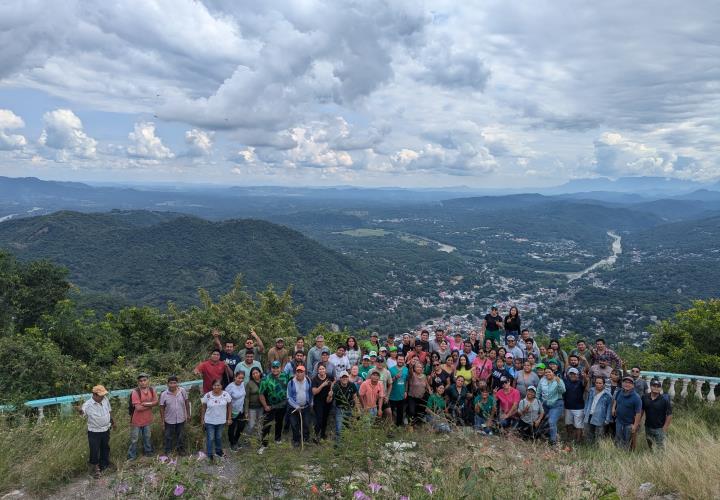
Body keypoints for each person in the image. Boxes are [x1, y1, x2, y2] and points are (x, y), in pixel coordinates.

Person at [80, 385, 114, 477]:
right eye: (100, 395)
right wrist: (80, 411)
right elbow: (82, 412)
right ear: (94, 395)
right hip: (94, 431)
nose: (102, 397)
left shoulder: (105, 399)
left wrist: (113, 422)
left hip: (106, 429)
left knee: (105, 447)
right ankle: (96, 469)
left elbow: (109, 411)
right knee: (94, 450)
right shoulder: (87, 404)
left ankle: (104, 464)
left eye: (103, 395)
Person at [258, 360, 291, 448]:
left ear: (280, 368)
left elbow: (293, 381)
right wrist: (265, 406)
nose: (275, 369)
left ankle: (277, 439)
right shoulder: (266, 379)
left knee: (279, 422)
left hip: (282, 404)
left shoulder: (286, 376)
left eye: (277, 367)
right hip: (270, 405)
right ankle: (264, 444)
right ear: (271, 368)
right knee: (267, 424)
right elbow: (261, 394)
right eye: (273, 367)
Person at [128, 373, 158, 460]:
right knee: (134, 439)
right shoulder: (135, 392)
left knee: (147, 437)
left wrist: (145, 403)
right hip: (136, 420)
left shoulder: (152, 390)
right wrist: (151, 405)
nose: (143, 382)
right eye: (141, 381)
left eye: (144, 380)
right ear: (138, 382)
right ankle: (131, 456)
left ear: (148, 380)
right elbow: (138, 408)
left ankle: (148, 452)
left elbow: (156, 402)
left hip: (147, 419)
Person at [200, 379, 232, 462]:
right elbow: (203, 407)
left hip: (221, 421)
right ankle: (209, 454)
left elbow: (229, 405)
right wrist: (202, 419)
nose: (216, 387)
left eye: (218, 385)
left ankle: (218, 451)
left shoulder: (226, 394)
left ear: (221, 386)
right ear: (212, 386)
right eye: (215, 385)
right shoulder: (207, 395)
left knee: (218, 437)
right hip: (209, 421)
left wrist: (229, 417)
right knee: (210, 438)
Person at [159, 375, 190, 455]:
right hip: (169, 419)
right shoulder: (164, 394)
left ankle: (180, 450)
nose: (173, 385)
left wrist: (188, 414)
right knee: (168, 436)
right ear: (167, 384)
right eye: (171, 383)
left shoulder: (182, 391)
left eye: (174, 383)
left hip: (181, 418)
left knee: (180, 435)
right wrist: (162, 420)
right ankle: (168, 451)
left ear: (177, 383)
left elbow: (186, 402)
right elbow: (161, 407)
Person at [612, 375, 642, 449]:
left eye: (629, 383)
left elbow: (638, 413)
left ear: (633, 385)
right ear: (622, 383)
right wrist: (613, 408)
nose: (627, 384)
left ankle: (625, 455)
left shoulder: (636, 397)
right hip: (619, 420)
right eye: (625, 382)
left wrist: (635, 426)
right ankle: (618, 452)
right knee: (618, 437)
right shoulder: (620, 392)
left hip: (629, 423)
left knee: (627, 440)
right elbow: (616, 400)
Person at [537, 367, 565, 445]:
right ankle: (542, 436)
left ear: (553, 372)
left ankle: (553, 441)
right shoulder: (542, 380)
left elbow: (563, 391)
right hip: (545, 404)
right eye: (546, 372)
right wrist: (538, 402)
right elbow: (538, 392)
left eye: (549, 372)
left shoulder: (558, 380)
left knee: (552, 421)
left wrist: (559, 382)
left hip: (556, 404)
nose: (547, 374)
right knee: (541, 420)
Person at [641, 378, 672, 449]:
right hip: (648, 426)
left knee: (660, 447)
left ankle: (660, 459)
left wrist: (665, 428)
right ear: (650, 386)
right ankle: (650, 458)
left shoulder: (664, 399)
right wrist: (638, 422)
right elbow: (641, 410)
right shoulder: (645, 397)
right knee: (650, 446)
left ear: (660, 388)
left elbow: (669, 414)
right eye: (654, 386)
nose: (656, 388)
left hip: (659, 428)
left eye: (658, 386)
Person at [287, 365, 313, 448]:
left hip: (305, 407)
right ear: (295, 373)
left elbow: (311, 393)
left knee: (306, 423)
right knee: (294, 424)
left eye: (301, 372)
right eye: (298, 372)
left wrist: (311, 402)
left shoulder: (308, 380)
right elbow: (288, 397)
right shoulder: (291, 382)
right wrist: (296, 406)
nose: (299, 373)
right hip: (294, 408)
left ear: (304, 373)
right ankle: (296, 440)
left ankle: (306, 439)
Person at [332, 370, 359, 443]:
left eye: (346, 377)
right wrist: (329, 395)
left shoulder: (352, 385)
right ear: (340, 378)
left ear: (348, 377)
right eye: (343, 377)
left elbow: (355, 396)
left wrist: (357, 408)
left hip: (349, 408)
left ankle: (346, 443)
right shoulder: (336, 386)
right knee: (339, 427)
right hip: (339, 408)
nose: (345, 379)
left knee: (347, 426)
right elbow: (330, 399)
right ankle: (338, 445)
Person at [583, 376, 613, 443]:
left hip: (600, 417)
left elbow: (609, 408)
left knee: (599, 434)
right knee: (589, 433)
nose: (598, 384)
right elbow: (587, 401)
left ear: (604, 384)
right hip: (589, 415)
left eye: (600, 383)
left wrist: (607, 419)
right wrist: (585, 411)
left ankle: (598, 449)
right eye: (597, 383)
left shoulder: (607, 395)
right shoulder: (591, 391)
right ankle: (589, 447)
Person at [225, 371, 247, 451]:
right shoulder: (230, 387)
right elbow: (226, 400)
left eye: (242, 378)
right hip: (232, 411)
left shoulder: (243, 384)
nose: (240, 380)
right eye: (239, 378)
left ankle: (236, 440)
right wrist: (228, 415)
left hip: (241, 410)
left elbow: (244, 396)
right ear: (235, 377)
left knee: (241, 426)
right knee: (232, 427)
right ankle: (232, 443)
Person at [563, 368, 585, 443]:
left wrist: (585, 377)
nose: (573, 375)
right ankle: (569, 438)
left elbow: (586, 383)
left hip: (579, 408)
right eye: (571, 374)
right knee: (568, 424)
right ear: (568, 374)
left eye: (574, 374)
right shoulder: (565, 382)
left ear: (578, 375)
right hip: (567, 407)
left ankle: (578, 440)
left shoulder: (581, 382)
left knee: (578, 425)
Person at [311, 364, 333, 440]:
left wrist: (331, 390)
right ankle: (316, 435)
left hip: (327, 401)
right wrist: (322, 385)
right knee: (319, 419)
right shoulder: (315, 379)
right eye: (320, 369)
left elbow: (334, 382)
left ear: (325, 370)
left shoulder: (329, 377)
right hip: (318, 402)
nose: (322, 370)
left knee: (325, 419)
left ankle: (323, 434)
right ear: (317, 370)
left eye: (323, 369)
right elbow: (314, 392)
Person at [389, 354, 409, 426]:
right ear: (396, 360)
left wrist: (406, 391)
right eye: (399, 359)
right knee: (391, 412)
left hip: (401, 394)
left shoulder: (406, 369)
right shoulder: (391, 369)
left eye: (402, 360)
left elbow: (407, 381)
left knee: (400, 412)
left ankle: (398, 426)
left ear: (404, 360)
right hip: (392, 395)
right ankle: (390, 426)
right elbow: (388, 382)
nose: (400, 361)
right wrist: (395, 378)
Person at [407, 360, 429, 426]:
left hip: (421, 397)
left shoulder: (424, 376)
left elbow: (427, 385)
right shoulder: (412, 375)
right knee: (411, 411)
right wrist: (411, 366)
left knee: (420, 411)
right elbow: (410, 372)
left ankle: (417, 424)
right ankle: (410, 425)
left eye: (421, 367)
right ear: (414, 368)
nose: (419, 368)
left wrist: (431, 393)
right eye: (417, 367)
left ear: (422, 369)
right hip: (412, 397)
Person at [244, 367, 264, 436]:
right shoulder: (249, 384)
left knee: (260, 424)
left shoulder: (263, 381)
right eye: (253, 374)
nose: (255, 375)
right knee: (251, 425)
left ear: (260, 373)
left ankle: (258, 440)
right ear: (251, 375)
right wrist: (246, 411)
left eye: (256, 373)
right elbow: (246, 398)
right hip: (252, 408)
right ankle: (247, 440)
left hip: (261, 407)